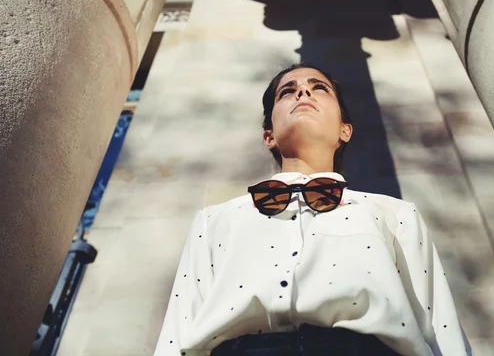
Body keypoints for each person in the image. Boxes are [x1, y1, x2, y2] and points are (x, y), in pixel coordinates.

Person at [154, 63, 470, 355]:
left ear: (345, 130)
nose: (303, 92)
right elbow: (177, 332)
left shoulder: (395, 215)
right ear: (269, 136)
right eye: (287, 91)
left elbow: (440, 327)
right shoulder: (214, 220)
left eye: (319, 88)